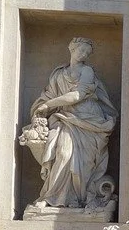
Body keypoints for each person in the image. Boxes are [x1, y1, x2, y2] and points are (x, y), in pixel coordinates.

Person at [27, 37, 117, 209]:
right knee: (63, 153)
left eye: (87, 53)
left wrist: (48, 104)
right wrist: (42, 107)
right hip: (65, 118)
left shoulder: (87, 71)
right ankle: (52, 197)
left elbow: (77, 95)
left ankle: (78, 200)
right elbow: (48, 95)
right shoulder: (58, 74)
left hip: (89, 121)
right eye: (81, 50)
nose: (84, 55)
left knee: (82, 163)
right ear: (71, 48)